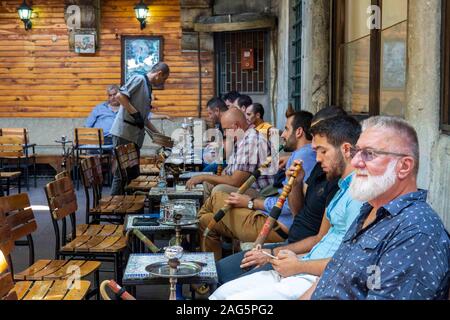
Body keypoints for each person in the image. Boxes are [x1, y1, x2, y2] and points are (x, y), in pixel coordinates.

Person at [209, 115, 363, 300]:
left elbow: (350, 262)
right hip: (299, 262)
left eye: (322, 151)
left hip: (312, 275)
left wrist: (289, 261)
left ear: (346, 149)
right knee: (220, 295)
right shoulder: (340, 187)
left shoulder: (359, 196)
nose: (317, 158)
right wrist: (282, 257)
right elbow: (320, 238)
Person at [302, 116, 450, 300]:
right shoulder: (369, 210)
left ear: (404, 167)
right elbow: (330, 276)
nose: (355, 162)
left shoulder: (417, 232)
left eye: (369, 153)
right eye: (357, 152)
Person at [198, 111, 317, 260]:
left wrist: (250, 203)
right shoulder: (300, 155)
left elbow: (288, 206)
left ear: (299, 132)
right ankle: (210, 273)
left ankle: (205, 270)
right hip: (272, 215)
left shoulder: (304, 157)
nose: (282, 135)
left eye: (286, 129)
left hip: (277, 225)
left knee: (216, 198)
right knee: (205, 219)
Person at [110, 62, 170, 195]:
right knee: (122, 174)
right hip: (124, 133)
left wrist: (161, 137)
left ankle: (130, 208)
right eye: (163, 79)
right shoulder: (139, 79)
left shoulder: (148, 87)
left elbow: (144, 119)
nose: (162, 82)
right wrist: (135, 113)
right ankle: (115, 205)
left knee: (133, 174)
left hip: (134, 136)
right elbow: (120, 96)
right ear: (159, 74)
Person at [186, 108, 274, 199]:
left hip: (259, 192)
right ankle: (207, 211)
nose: (224, 133)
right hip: (245, 187)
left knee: (219, 190)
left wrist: (203, 176)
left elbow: (235, 181)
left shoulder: (251, 141)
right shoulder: (242, 139)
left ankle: (211, 211)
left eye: (225, 129)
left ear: (236, 126)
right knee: (208, 184)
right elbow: (228, 171)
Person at [204, 98, 229, 173]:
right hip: (224, 155)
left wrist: (214, 154)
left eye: (210, 113)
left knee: (205, 171)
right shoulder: (222, 121)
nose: (209, 117)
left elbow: (227, 151)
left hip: (230, 160)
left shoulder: (228, 120)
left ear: (217, 110)